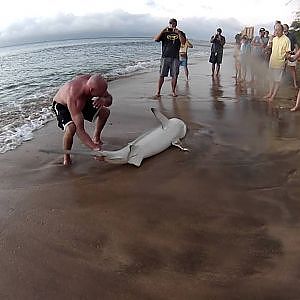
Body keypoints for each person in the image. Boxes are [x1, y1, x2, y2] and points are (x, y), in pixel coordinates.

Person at [52, 74, 112, 165]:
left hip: (83, 100)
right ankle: (66, 157)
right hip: (62, 105)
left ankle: (96, 138)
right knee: (71, 128)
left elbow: (109, 99)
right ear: (91, 90)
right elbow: (80, 130)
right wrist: (94, 148)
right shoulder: (74, 95)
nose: (102, 94)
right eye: (100, 94)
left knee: (105, 112)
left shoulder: (95, 83)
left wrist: (103, 100)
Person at [154, 18, 186, 97]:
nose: (172, 24)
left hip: (175, 57)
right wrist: (163, 30)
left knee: (174, 75)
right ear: (169, 23)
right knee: (162, 75)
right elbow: (156, 39)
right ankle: (158, 91)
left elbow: (183, 42)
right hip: (165, 56)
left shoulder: (180, 32)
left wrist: (178, 33)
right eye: (170, 23)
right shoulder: (165, 33)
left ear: (176, 24)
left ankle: (173, 91)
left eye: (174, 23)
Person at [264, 23, 291, 102]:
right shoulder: (274, 39)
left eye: (278, 30)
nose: (276, 31)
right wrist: (267, 48)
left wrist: (287, 57)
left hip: (280, 63)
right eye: (275, 30)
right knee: (271, 79)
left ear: (282, 30)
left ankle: (273, 95)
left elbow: (288, 52)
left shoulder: (286, 40)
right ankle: (270, 93)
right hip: (272, 62)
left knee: (277, 81)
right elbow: (271, 48)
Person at [283, 23, 299, 88]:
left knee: (293, 69)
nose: (283, 28)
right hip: (283, 55)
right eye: (282, 27)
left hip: (292, 54)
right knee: (282, 69)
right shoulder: (281, 36)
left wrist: (297, 55)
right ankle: (282, 82)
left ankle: (295, 83)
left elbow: (296, 45)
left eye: (284, 27)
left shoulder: (292, 35)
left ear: (287, 28)